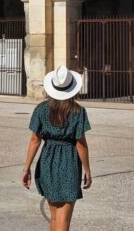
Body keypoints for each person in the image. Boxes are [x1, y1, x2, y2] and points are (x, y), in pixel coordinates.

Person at [22, 66, 92, 231]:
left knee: (55, 218)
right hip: (69, 162)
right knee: (64, 220)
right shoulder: (78, 111)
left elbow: (35, 139)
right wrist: (87, 170)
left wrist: (26, 168)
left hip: (48, 161)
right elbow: (80, 143)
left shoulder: (41, 109)